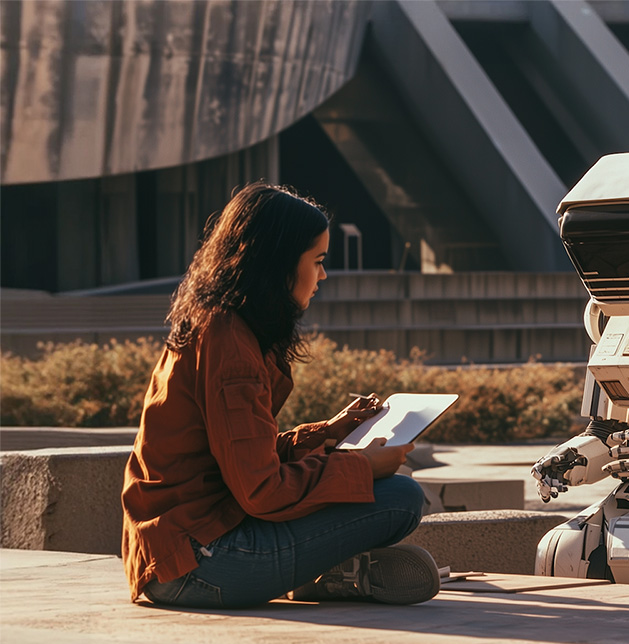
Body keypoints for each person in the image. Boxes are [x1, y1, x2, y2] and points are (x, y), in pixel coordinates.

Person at [121, 183, 439, 609]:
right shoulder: (230, 344)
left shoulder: (223, 325)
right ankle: (331, 571)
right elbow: (262, 491)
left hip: (181, 548)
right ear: (277, 264)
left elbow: (241, 457)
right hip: (197, 564)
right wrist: (360, 466)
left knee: (390, 492)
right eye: (318, 261)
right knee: (402, 499)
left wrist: (327, 433)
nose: (323, 275)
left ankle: (330, 575)